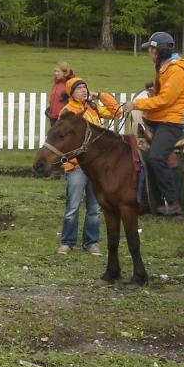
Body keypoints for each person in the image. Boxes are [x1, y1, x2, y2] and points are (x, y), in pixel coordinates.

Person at [123, 31, 184, 216]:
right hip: (156, 119)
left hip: (170, 122)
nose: (149, 53)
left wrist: (136, 104)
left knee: (156, 157)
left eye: (151, 50)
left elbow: (165, 101)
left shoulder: (176, 71)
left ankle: (174, 201)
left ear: (159, 51)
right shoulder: (163, 67)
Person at [57, 77, 119, 256]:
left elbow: (116, 113)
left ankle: (91, 243)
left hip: (96, 167)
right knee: (73, 207)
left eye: (85, 87)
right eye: (79, 88)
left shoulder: (92, 107)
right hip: (76, 166)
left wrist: (101, 95)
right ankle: (67, 242)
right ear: (71, 93)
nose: (84, 91)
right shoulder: (68, 112)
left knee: (95, 207)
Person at [47, 61, 74, 127]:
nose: (56, 73)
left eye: (58, 71)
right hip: (53, 117)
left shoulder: (69, 83)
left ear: (65, 72)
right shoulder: (56, 83)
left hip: (63, 117)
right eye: (55, 71)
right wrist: (49, 109)